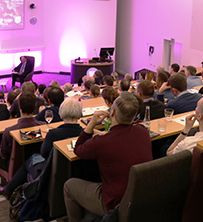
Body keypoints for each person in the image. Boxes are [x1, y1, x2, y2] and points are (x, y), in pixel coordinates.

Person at [63, 92, 153, 221]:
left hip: (115, 203)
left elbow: (78, 149)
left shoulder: (101, 142)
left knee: (69, 186)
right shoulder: (143, 131)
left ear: (112, 113)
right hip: (140, 196)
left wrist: (91, 124)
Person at [0, 98, 85, 198]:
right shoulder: (85, 133)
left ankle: (8, 189)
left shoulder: (53, 134)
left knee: (31, 159)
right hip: (78, 171)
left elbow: (44, 153)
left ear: (61, 115)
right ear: (80, 115)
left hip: (51, 170)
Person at [0, 92, 43, 172]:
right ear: (35, 106)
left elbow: (3, 154)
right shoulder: (43, 127)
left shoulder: (9, 131)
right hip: (36, 163)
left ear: (19, 107)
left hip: (14, 165)